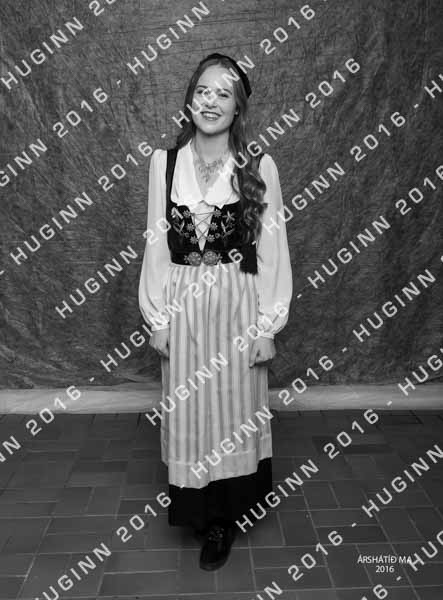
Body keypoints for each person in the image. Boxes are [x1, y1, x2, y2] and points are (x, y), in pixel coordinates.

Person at [138, 52, 292, 571]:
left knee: (233, 408)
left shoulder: (259, 165)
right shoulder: (164, 164)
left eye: (223, 94)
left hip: (237, 303)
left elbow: (273, 249)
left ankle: (225, 517)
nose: (211, 102)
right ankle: (197, 510)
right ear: (190, 99)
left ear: (237, 107)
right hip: (182, 303)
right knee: (188, 406)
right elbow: (156, 244)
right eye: (203, 91)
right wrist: (158, 317)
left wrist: (268, 326)